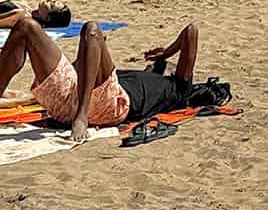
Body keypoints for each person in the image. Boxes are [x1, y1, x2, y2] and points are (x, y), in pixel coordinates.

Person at [0, 15, 200, 141]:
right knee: (26, 26)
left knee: (92, 29)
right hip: (68, 98)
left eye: (167, 67)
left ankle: (82, 116)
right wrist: (89, 51)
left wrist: (165, 54)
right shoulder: (132, 76)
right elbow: (78, 71)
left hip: (109, 107)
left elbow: (191, 31)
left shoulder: (179, 88)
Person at [0, 0, 71, 31]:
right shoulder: (27, 9)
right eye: (53, 1)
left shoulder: (22, 16)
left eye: (51, 5)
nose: (49, 0)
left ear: (47, 18)